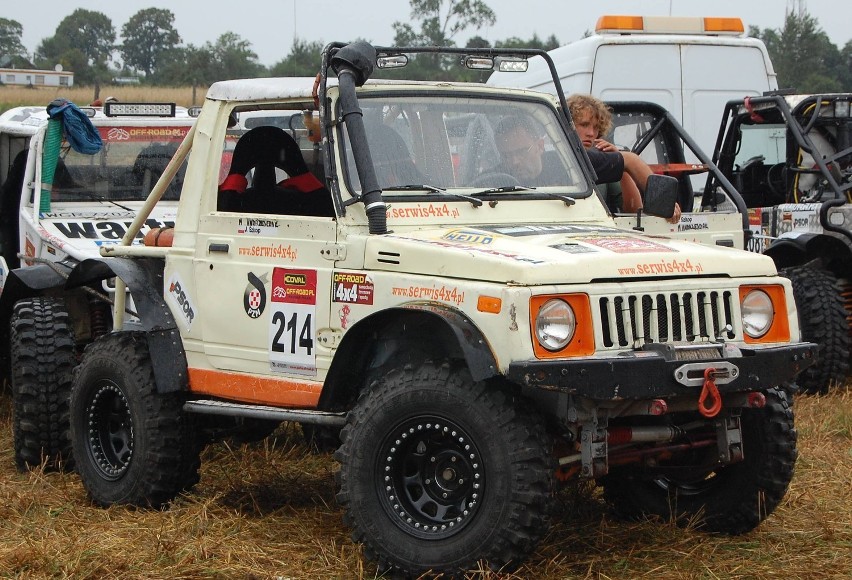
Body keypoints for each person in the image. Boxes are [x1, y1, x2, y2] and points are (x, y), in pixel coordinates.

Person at [495, 108, 681, 224]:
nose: (514, 162)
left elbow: (631, 161)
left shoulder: (570, 162)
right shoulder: (491, 178)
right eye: (506, 156)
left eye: (521, 152)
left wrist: (665, 201)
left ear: (540, 146)